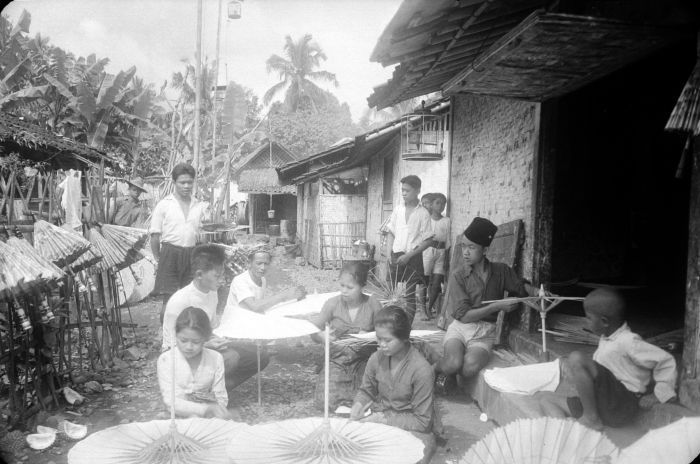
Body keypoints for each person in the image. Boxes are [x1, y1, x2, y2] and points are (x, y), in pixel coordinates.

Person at [539, 288, 677, 430]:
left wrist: (660, 393)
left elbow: (665, 361)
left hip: (620, 404)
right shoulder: (607, 338)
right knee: (546, 400)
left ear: (604, 321)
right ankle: (569, 432)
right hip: (602, 402)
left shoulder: (629, 341)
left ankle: (591, 418)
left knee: (576, 358)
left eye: (588, 318)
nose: (586, 322)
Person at [435, 217, 540, 395]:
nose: (465, 252)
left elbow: (520, 286)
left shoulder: (501, 271)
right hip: (461, 329)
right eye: (463, 246)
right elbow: (464, 316)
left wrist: (538, 292)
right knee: (453, 362)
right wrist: (496, 306)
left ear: (484, 249)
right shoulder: (458, 275)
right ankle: (434, 369)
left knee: (468, 368)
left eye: (471, 247)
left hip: (484, 334)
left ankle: (451, 372)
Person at [161, 244, 262, 394]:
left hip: (203, 346)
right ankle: (193, 393)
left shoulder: (211, 293)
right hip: (181, 357)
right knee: (231, 357)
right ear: (200, 274)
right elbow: (172, 347)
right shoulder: (180, 301)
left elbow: (212, 328)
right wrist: (207, 345)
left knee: (259, 355)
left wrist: (221, 339)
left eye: (222, 275)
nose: (222, 280)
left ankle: (215, 390)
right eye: (217, 276)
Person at [350, 305, 437, 464]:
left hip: (413, 429)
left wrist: (384, 420)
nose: (381, 344)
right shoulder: (376, 358)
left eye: (387, 340)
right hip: (381, 421)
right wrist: (358, 405)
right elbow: (366, 391)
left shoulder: (421, 370)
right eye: (379, 338)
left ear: (404, 338)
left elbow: (423, 422)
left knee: (411, 456)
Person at [150, 163, 208, 322]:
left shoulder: (199, 205)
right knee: (169, 300)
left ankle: (183, 336)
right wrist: (158, 259)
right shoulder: (164, 204)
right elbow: (155, 235)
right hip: (169, 253)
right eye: (182, 182)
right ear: (174, 182)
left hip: (191, 254)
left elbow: (202, 232)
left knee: (189, 298)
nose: (186, 186)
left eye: (190, 182)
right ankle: (166, 341)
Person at [157, 307, 230, 419]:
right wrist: (205, 409)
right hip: (174, 417)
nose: (189, 347)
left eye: (196, 342)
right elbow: (170, 401)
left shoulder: (216, 358)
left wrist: (217, 412)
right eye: (183, 340)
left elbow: (221, 397)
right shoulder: (166, 360)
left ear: (205, 339)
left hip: (208, 418)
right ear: (175, 336)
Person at [386, 175, 434, 325]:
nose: (404, 193)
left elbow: (428, 240)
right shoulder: (398, 210)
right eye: (402, 190)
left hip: (413, 257)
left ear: (417, 191)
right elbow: (391, 232)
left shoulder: (423, 213)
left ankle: (406, 329)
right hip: (395, 255)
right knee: (391, 294)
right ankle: (392, 327)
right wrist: (388, 252)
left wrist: (409, 256)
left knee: (410, 295)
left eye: (407, 190)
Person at [311, 262, 382, 342]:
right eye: (342, 285)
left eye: (350, 287)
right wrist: (320, 336)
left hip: (367, 353)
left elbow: (386, 334)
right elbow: (313, 329)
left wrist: (369, 336)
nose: (344, 291)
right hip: (336, 352)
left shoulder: (373, 304)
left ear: (362, 287)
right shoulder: (332, 304)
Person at [421, 193, 450, 320]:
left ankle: (429, 307)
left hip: (441, 252)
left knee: (437, 282)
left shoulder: (447, 221)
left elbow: (449, 240)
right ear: (431, 205)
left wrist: (447, 255)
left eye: (444, 203)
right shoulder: (426, 220)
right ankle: (423, 309)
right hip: (427, 251)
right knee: (423, 281)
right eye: (438, 203)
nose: (441, 206)